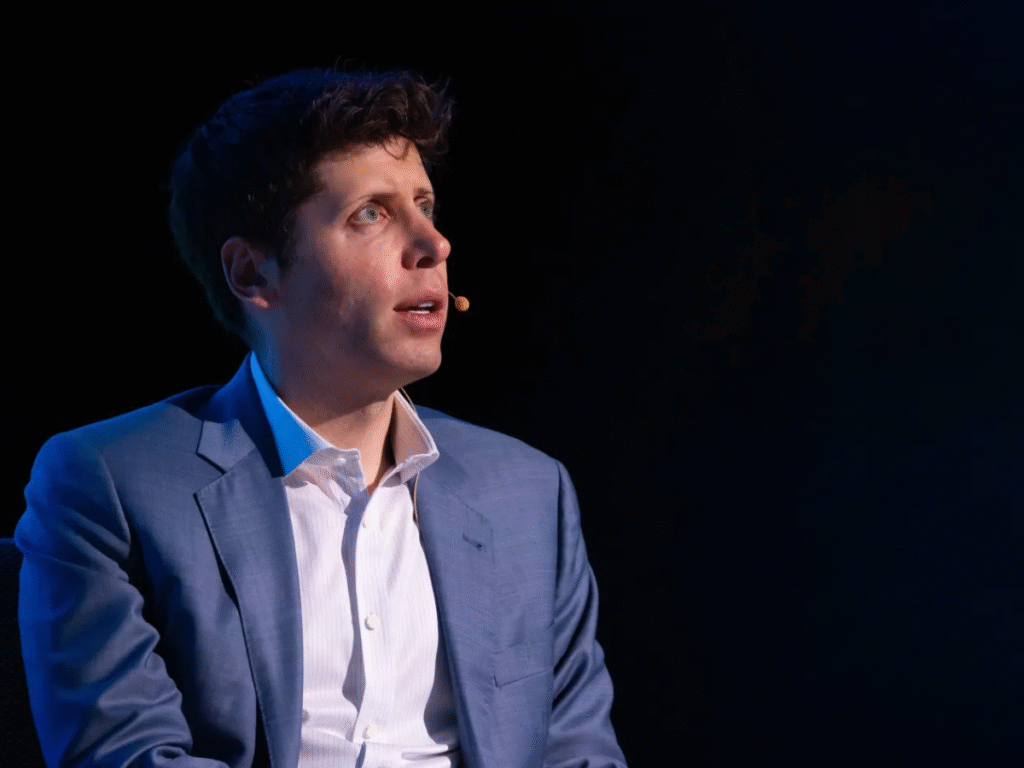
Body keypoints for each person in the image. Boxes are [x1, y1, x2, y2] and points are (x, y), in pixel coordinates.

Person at [15, 67, 626, 768]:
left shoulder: (528, 490)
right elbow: (125, 755)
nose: (434, 244)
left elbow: (579, 752)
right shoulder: (112, 484)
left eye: (425, 204)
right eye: (371, 212)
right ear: (253, 274)